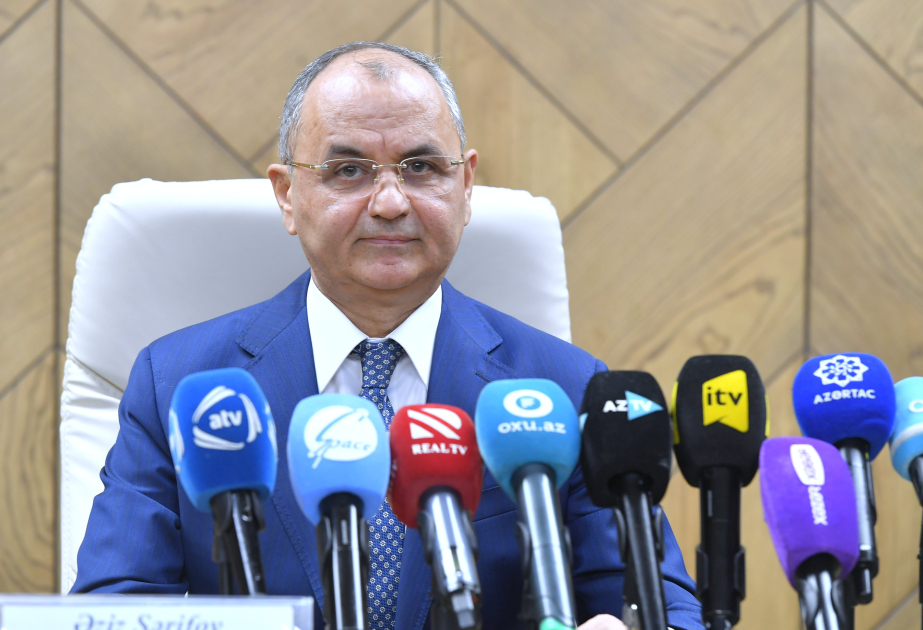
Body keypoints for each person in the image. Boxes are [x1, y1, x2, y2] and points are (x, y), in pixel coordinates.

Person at [73, 42, 703, 630]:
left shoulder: (562, 389)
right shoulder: (178, 385)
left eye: (421, 167)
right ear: (287, 195)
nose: (391, 202)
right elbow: (111, 609)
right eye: (349, 170)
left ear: (465, 186)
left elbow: (662, 607)